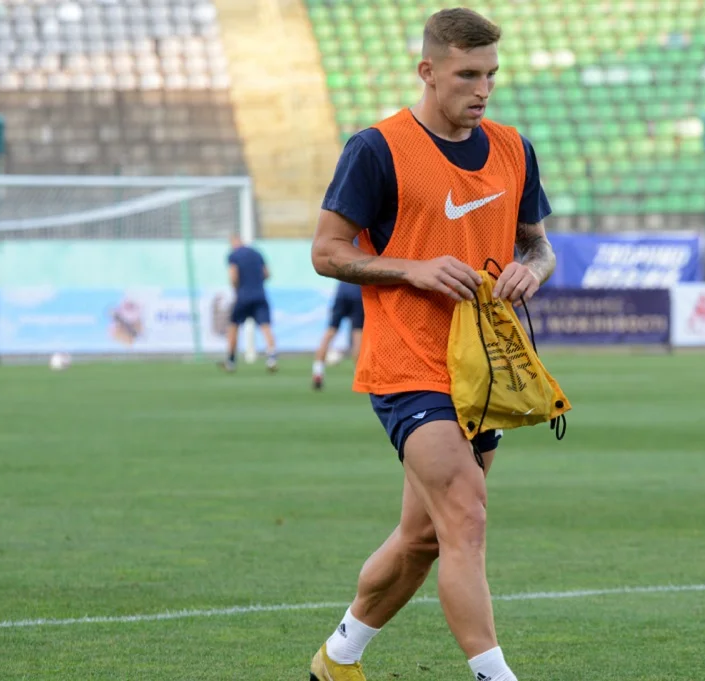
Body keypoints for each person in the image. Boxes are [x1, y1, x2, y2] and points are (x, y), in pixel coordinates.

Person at [307, 9, 554, 681]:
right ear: (428, 71)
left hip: (483, 371)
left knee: (422, 537)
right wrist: (410, 268)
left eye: (491, 74)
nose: (483, 89)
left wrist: (533, 270)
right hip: (408, 365)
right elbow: (326, 252)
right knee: (466, 514)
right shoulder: (377, 149)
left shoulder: (514, 149)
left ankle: (337, 658)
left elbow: (537, 245)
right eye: (468, 74)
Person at [221, 234, 277, 372]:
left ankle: (231, 360)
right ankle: (272, 358)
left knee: (234, 326)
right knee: (266, 327)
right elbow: (267, 274)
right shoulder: (257, 253)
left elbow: (233, 276)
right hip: (260, 295)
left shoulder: (234, 255)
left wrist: (237, 288)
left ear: (233, 242)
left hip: (243, 296)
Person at [312, 280, 365, 390]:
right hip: (358, 293)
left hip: (342, 291)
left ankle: (318, 371)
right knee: (358, 334)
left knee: (331, 331)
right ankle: (358, 374)